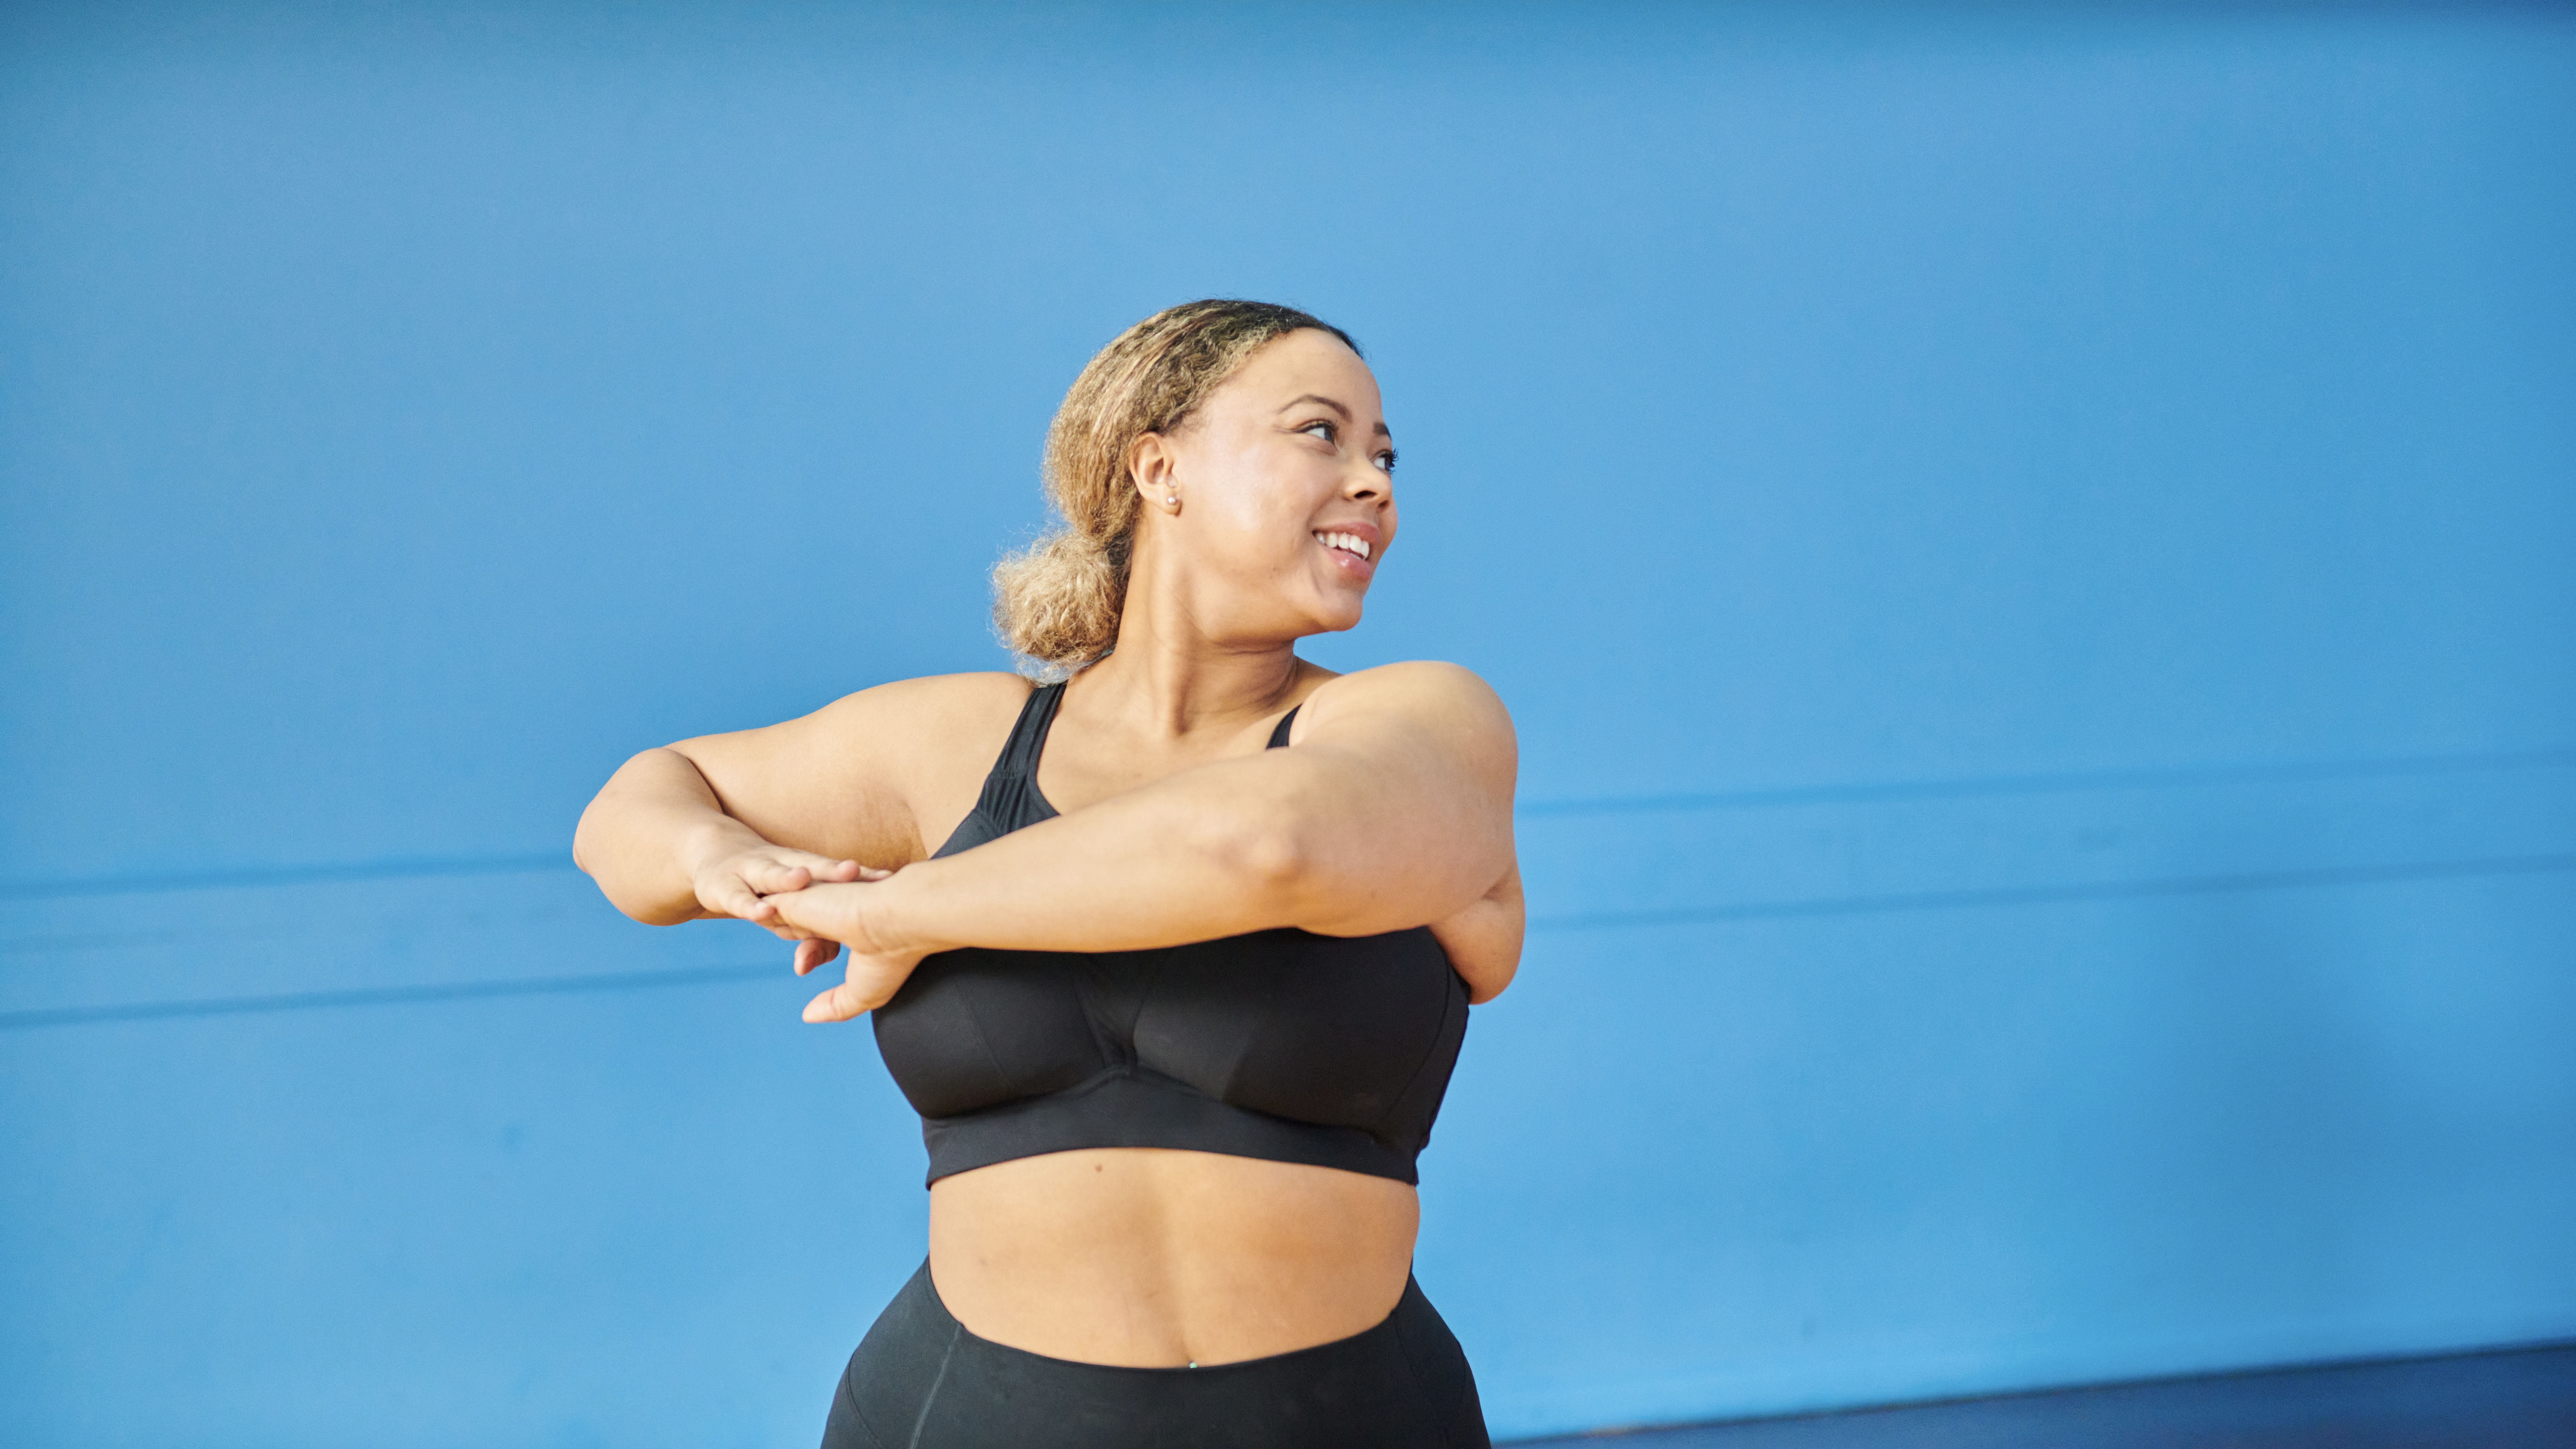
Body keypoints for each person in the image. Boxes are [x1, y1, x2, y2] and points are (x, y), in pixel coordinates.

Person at [573, 299, 1523, 1446]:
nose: (1373, 482)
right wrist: (712, 853)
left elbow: (1266, 847)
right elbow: (636, 808)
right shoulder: (962, 744)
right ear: (1157, 467)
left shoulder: (1419, 723)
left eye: (1383, 456)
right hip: (960, 1412)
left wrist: (903, 908)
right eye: (1321, 433)